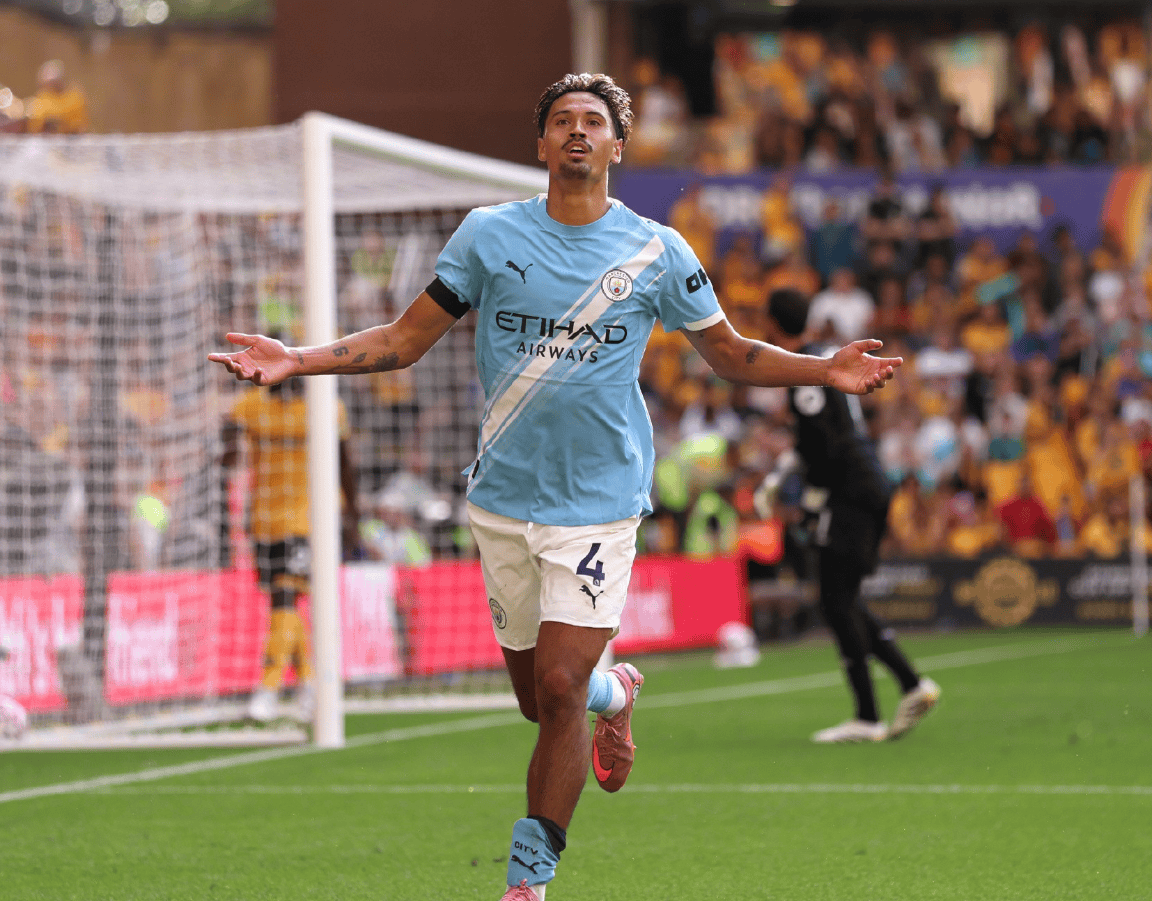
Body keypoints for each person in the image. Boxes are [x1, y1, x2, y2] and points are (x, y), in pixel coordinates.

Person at [210, 73, 902, 900]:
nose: (578, 130)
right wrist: (298, 358)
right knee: (542, 703)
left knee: (560, 683)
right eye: (563, 120)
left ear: (618, 145)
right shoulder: (488, 235)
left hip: (600, 504)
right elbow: (404, 338)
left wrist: (823, 367)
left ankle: (527, 882)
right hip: (503, 500)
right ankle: (620, 690)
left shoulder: (656, 250)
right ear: (541, 144)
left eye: (594, 122)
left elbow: (731, 353)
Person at [760, 287, 937, 745]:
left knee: (836, 600)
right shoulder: (824, 357)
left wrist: (807, 495)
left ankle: (870, 714)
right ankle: (909, 685)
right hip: (864, 486)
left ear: (773, 325)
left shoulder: (806, 370)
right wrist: (787, 475)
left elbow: (825, 443)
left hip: (850, 492)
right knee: (843, 598)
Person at [221, 372, 361, 723]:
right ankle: (308, 684)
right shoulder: (249, 408)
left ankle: (268, 689)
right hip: (264, 518)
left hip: (311, 519)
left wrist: (353, 515)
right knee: (283, 604)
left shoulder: (326, 408)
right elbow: (228, 455)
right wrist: (229, 438)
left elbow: (345, 462)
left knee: (285, 595)